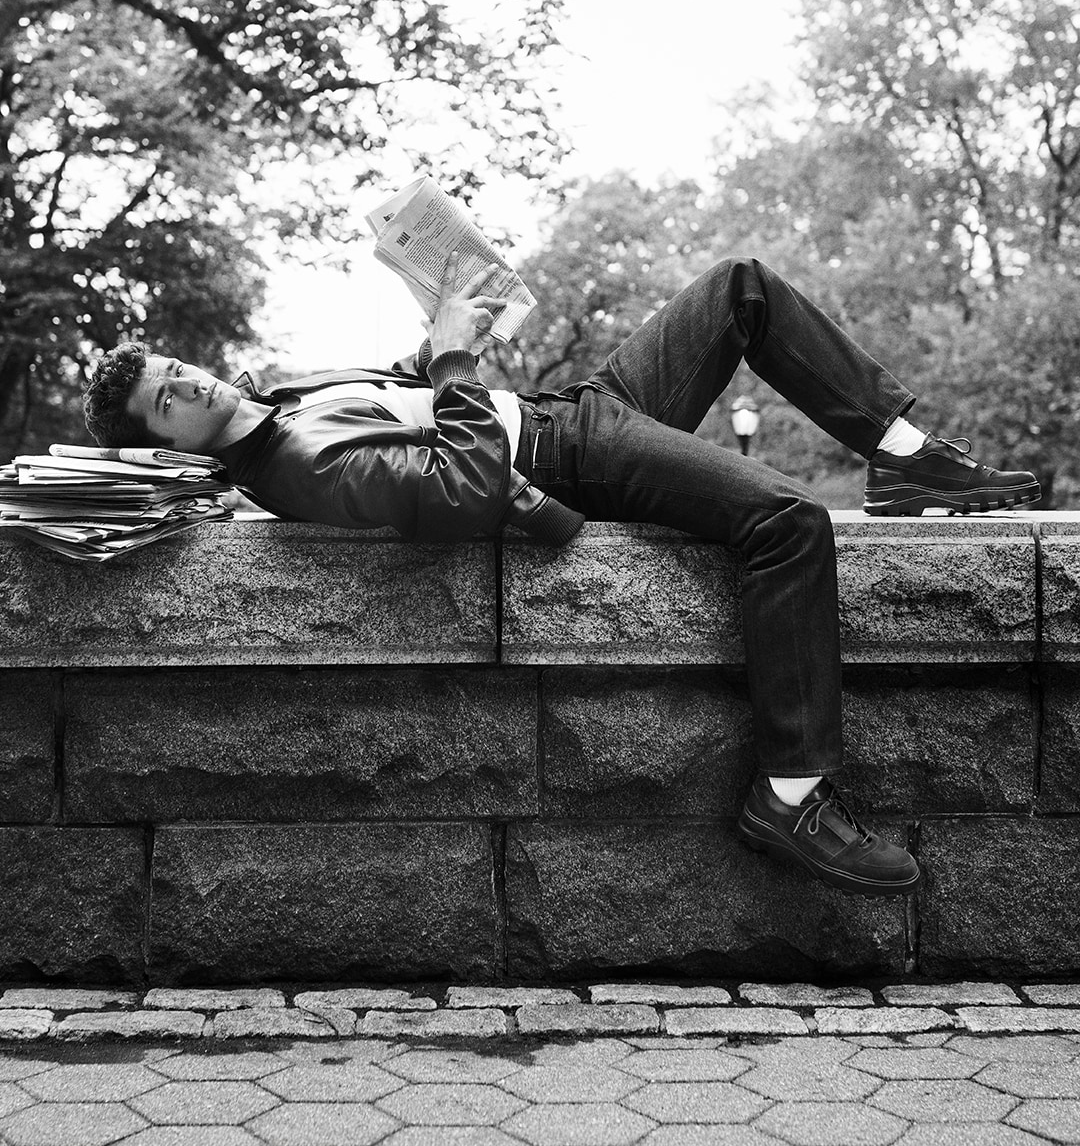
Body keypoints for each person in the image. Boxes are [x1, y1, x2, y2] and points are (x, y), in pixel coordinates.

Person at [82, 254, 1040, 898]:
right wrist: (458, 357)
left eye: (177, 367)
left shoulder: (282, 390)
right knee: (788, 523)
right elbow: (459, 488)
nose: (190, 382)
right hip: (566, 457)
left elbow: (409, 399)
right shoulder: (298, 468)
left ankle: (903, 448)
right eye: (167, 400)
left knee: (740, 287)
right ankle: (788, 796)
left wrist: (438, 343)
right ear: (163, 444)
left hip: (571, 406)